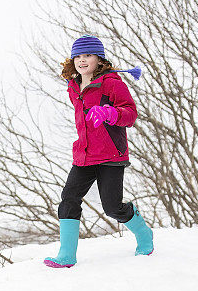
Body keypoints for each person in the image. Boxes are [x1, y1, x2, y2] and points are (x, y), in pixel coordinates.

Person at [43, 34, 154, 268]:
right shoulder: (74, 86)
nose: (82, 60)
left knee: (112, 207)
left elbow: (130, 114)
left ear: (99, 59)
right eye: (78, 56)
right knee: (69, 199)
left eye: (88, 55)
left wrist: (111, 114)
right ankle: (66, 255)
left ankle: (144, 233)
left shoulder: (113, 83)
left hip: (111, 154)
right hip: (84, 154)